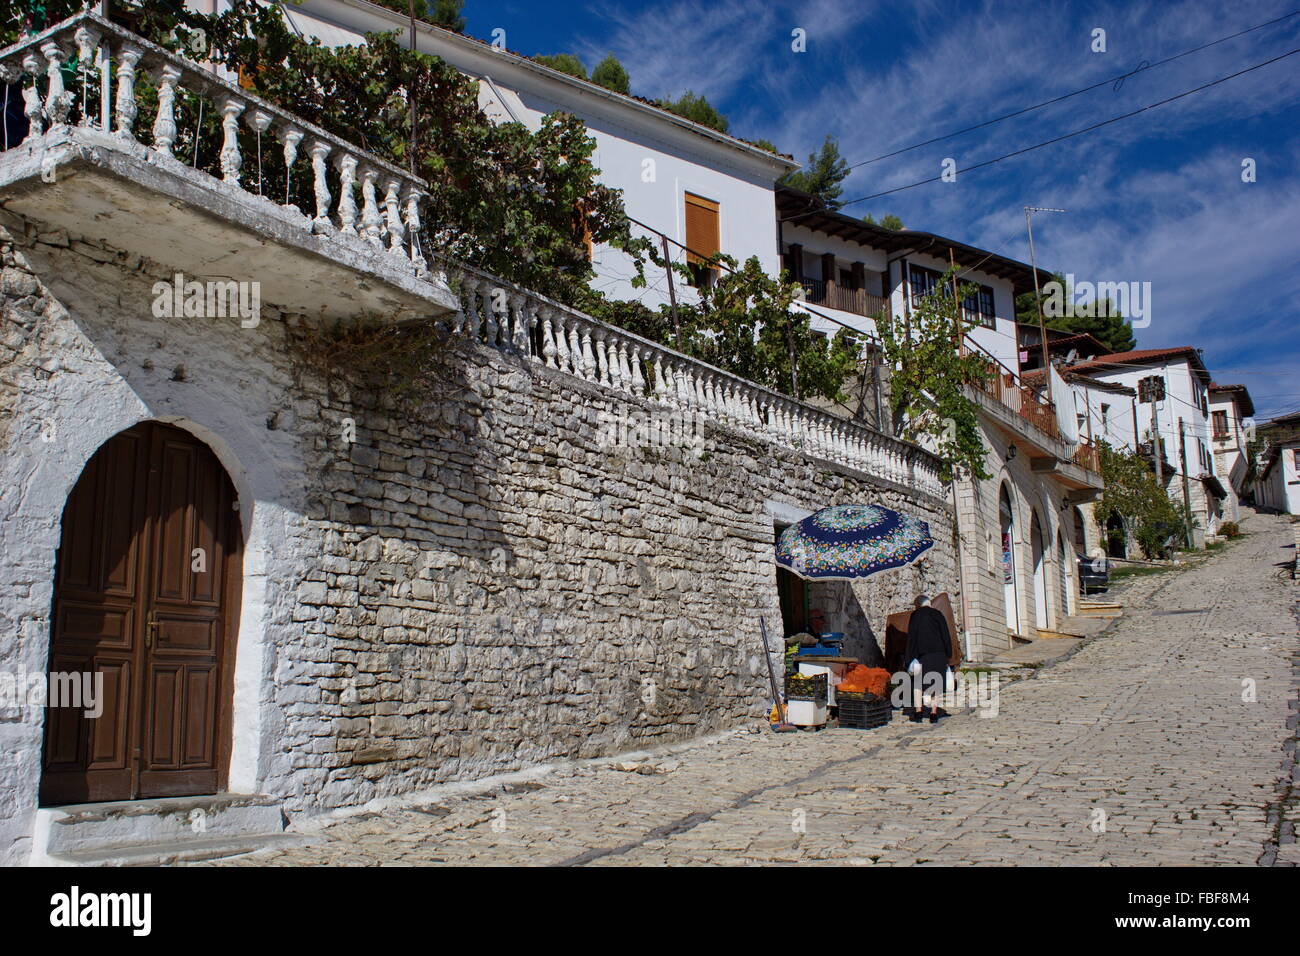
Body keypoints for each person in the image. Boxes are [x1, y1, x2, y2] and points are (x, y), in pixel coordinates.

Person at [905, 594, 952, 724]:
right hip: (939, 654)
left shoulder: (915, 616)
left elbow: (912, 637)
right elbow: (945, 634)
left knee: (918, 683)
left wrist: (910, 657)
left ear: (918, 605)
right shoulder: (938, 614)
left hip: (922, 655)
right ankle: (933, 713)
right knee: (937, 684)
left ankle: (919, 712)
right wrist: (948, 654)